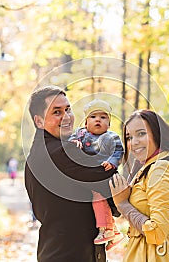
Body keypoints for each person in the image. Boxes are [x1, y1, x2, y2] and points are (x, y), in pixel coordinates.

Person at [24, 86, 118, 262]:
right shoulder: (63, 151)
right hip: (71, 253)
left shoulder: (35, 154)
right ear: (39, 121)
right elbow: (109, 184)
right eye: (57, 112)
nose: (66, 117)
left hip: (53, 250)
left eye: (68, 109)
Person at [109, 109, 169, 262]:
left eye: (141, 133)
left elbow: (157, 232)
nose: (134, 142)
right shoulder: (152, 168)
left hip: (155, 255)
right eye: (129, 137)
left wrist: (123, 204)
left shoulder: (160, 169)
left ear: (158, 135)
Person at [69, 99, 124, 248]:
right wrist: (74, 143)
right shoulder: (81, 134)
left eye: (103, 117)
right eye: (93, 117)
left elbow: (118, 150)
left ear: (109, 123)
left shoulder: (111, 137)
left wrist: (112, 162)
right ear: (86, 122)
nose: (98, 119)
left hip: (105, 172)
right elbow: (70, 140)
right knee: (94, 199)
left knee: (98, 197)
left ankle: (105, 229)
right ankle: (114, 231)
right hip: (89, 173)